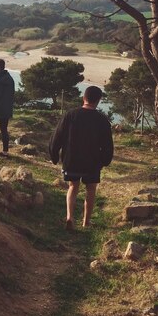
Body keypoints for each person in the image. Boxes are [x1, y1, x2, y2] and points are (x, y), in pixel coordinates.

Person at [49, 86, 113, 231]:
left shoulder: (70, 115)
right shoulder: (102, 120)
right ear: (98, 101)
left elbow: (57, 136)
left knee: (73, 186)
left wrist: (54, 154)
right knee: (90, 190)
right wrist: (104, 161)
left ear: (84, 98)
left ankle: (70, 217)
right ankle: (86, 222)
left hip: (71, 160)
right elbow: (108, 144)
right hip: (92, 162)